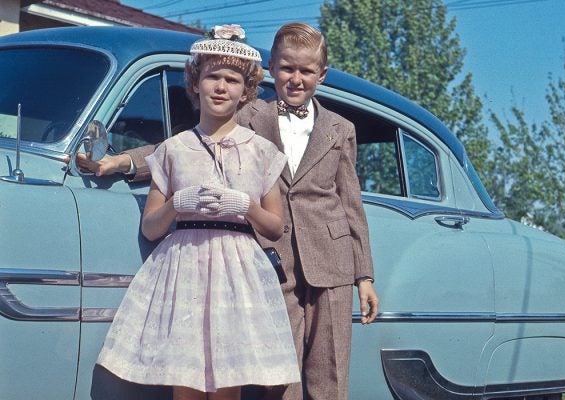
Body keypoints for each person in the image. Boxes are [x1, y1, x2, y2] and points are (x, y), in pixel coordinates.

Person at [83, 22, 379, 400]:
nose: (296, 79)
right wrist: (122, 161)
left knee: (331, 368)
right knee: (278, 373)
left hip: (332, 261)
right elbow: (179, 148)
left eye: (306, 71)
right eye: (288, 69)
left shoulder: (341, 128)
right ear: (272, 68)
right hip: (276, 262)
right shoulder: (250, 112)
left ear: (321, 74)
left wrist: (364, 276)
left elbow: (351, 204)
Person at [94, 24, 300, 400]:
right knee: (185, 384)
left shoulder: (261, 151)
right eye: (212, 77)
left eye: (232, 80)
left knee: (227, 386)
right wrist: (177, 203)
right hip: (184, 273)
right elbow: (152, 228)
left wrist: (246, 206)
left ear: (245, 91)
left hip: (237, 276)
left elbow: (275, 227)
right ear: (195, 83)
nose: (221, 87)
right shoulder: (174, 149)